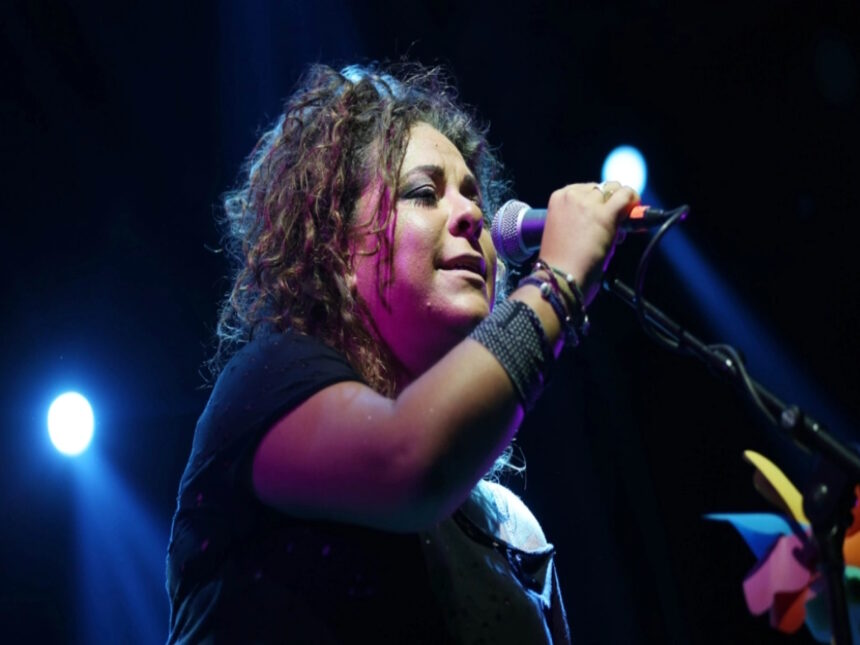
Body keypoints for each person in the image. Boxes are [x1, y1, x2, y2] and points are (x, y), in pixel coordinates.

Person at [165, 62, 637, 644]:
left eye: (475, 199)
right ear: (335, 247)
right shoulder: (265, 384)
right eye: (423, 194)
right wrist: (556, 284)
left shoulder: (513, 531)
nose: (472, 216)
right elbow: (408, 460)